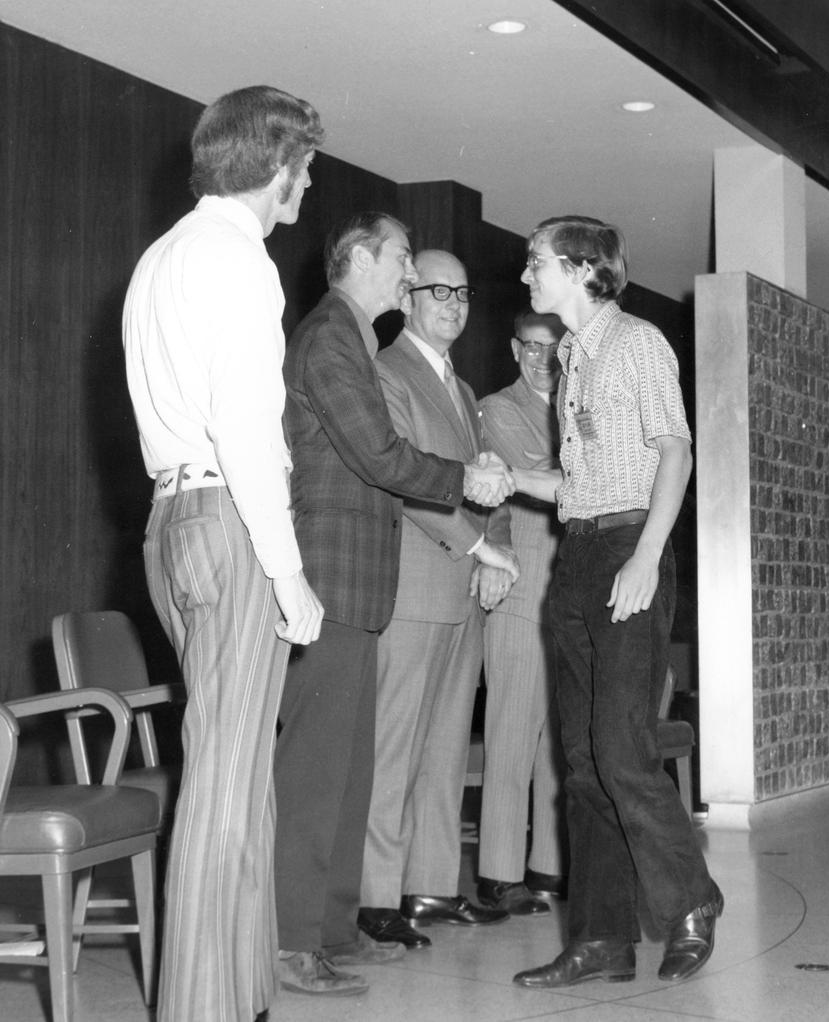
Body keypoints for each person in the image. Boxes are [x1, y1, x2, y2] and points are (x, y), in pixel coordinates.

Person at [122, 85, 326, 1022]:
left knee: (239, 773)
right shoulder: (239, 260)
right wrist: (286, 570)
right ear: (278, 169)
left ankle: (244, 999)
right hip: (230, 521)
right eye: (306, 167)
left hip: (172, 523)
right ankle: (203, 1008)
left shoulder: (160, 257)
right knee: (223, 781)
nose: (307, 184)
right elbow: (246, 425)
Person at [274, 217, 516, 996]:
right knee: (318, 772)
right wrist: (462, 482)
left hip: (360, 582)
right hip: (331, 578)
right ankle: (290, 940)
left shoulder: (348, 336)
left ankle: (337, 930)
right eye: (403, 259)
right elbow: (378, 454)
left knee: (349, 771)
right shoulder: (330, 338)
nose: (410, 272)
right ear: (360, 261)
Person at [509, 216, 723, 989]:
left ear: (580, 267)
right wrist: (513, 479)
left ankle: (691, 902)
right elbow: (579, 485)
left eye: (536, 262)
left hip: (629, 549)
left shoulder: (635, 343)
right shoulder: (572, 356)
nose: (526, 273)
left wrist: (646, 555)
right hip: (579, 556)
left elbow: (676, 448)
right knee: (581, 759)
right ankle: (601, 939)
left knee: (622, 747)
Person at [358, 251, 515, 946]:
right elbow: (406, 481)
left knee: (448, 748)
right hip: (416, 585)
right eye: (438, 290)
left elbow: (492, 483)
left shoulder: (464, 388)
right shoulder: (386, 373)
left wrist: (496, 556)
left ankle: (430, 887)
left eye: (464, 290)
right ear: (407, 297)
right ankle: (376, 896)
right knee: (395, 749)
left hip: (467, 588)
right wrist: (477, 547)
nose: (454, 302)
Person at [473, 310, 569, 917]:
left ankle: (548, 867)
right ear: (514, 349)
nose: (540, 359)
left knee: (555, 740)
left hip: (568, 591)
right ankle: (498, 875)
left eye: (551, 348)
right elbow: (532, 480)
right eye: (530, 347)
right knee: (511, 735)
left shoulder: (576, 409)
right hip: (520, 588)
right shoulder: (496, 409)